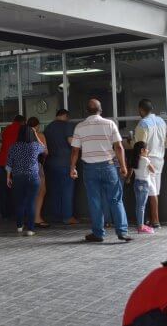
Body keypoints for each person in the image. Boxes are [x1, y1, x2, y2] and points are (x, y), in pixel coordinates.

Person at [70, 99, 132, 242]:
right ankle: (122, 232)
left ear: (87, 111)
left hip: (89, 168)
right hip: (109, 167)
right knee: (116, 199)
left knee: (94, 201)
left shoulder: (80, 126)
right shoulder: (110, 124)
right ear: (101, 110)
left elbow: (75, 150)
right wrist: (123, 166)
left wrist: (72, 168)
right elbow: (119, 147)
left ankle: (98, 234)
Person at [6, 125, 46, 236]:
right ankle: (30, 229)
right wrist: (36, 135)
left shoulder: (13, 147)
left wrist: (8, 177)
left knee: (19, 202)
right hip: (33, 177)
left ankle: (19, 226)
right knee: (31, 203)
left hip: (18, 177)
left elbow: (9, 163)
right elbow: (44, 148)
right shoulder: (35, 146)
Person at [134, 99, 167, 229]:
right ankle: (151, 219)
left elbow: (140, 145)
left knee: (151, 191)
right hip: (160, 158)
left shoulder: (143, 124)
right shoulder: (161, 122)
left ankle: (155, 220)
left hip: (147, 159)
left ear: (141, 110)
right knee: (155, 190)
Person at [44, 109, 78, 225]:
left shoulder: (48, 127)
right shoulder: (67, 125)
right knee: (67, 190)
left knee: (55, 191)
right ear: (66, 116)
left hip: (50, 163)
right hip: (65, 163)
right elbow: (72, 142)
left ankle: (56, 216)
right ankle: (67, 217)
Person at [0, 115, 26, 219]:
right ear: (23, 122)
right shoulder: (23, 129)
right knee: (19, 189)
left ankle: (5, 214)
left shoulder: (6, 129)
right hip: (16, 163)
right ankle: (18, 213)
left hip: (3, 162)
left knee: (4, 190)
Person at [27, 117, 49, 228]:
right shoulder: (39, 135)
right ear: (37, 126)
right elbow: (45, 151)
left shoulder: (22, 136)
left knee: (27, 193)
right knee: (41, 191)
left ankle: (27, 218)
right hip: (37, 165)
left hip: (22, 169)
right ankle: (37, 217)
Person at [130, 141, 156, 234]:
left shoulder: (135, 159)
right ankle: (141, 227)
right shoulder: (145, 160)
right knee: (142, 206)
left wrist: (128, 178)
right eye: (147, 149)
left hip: (136, 183)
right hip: (144, 184)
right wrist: (148, 160)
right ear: (142, 150)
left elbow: (131, 171)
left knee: (138, 206)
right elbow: (153, 170)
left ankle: (140, 225)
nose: (148, 150)